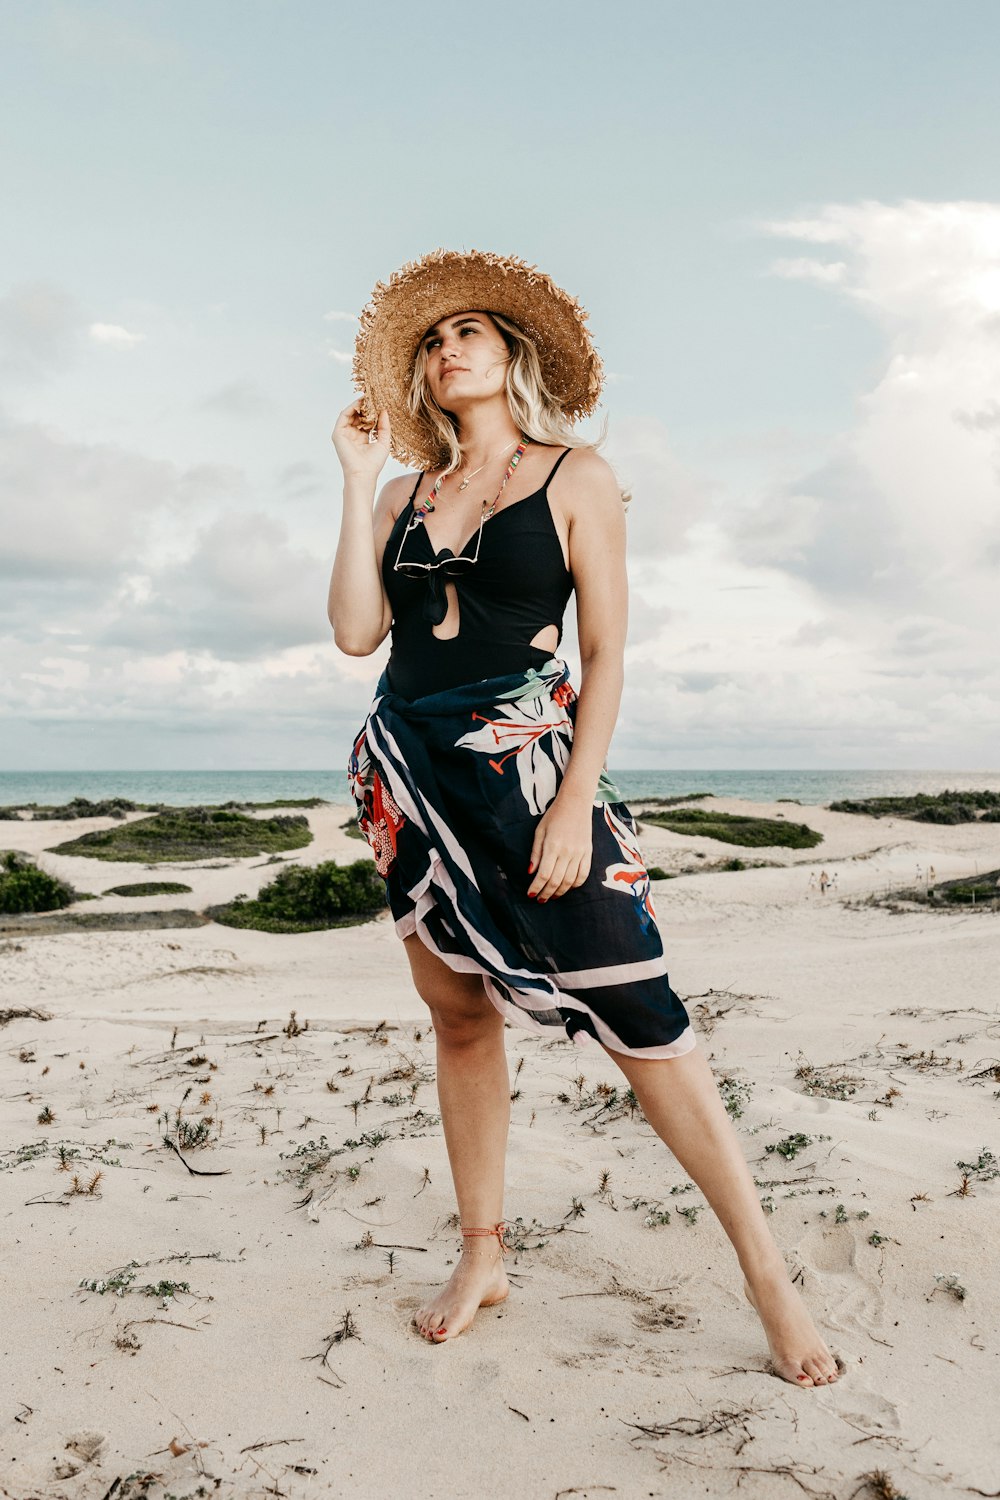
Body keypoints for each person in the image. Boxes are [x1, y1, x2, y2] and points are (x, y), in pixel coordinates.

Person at [328, 247, 842, 1388]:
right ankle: (483, 1258)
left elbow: (605, 650)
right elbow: (358, 636)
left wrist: (572, 803)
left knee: (641, 1013)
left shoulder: (576, 475)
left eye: (468, 331)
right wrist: (350, 479)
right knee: (458, 1017)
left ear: (510, 353)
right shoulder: (399, 493)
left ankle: (765, 1275)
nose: (446, 347)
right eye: (430, 340)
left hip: (528, 768)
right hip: (407, 772)